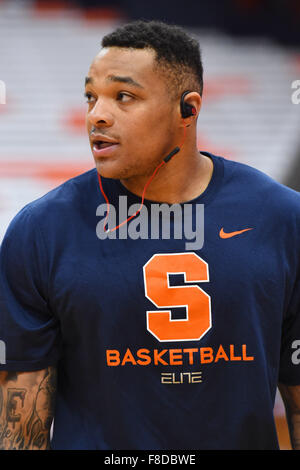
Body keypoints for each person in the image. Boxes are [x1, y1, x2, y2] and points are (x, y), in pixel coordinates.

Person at [0, 19, 300, 451]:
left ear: (188, 109)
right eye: (91, 96)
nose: (97, 115)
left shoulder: (283, 220)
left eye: (124, 96)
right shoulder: (41, 232)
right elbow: (21, 427)